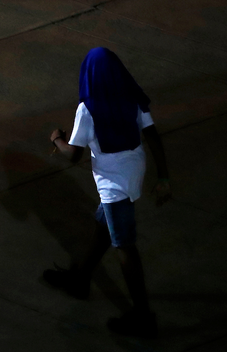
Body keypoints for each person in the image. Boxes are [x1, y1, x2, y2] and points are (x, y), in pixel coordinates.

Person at [46, 47, 171, 339]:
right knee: (104, 225)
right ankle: (80, 278)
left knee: (124, 246)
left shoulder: (87, 108)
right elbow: (152, 134)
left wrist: (57, 140)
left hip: (113, 182)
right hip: (134, 168)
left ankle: (143, 317)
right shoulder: (130, 94)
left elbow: (73, 155)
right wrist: (163, 176)